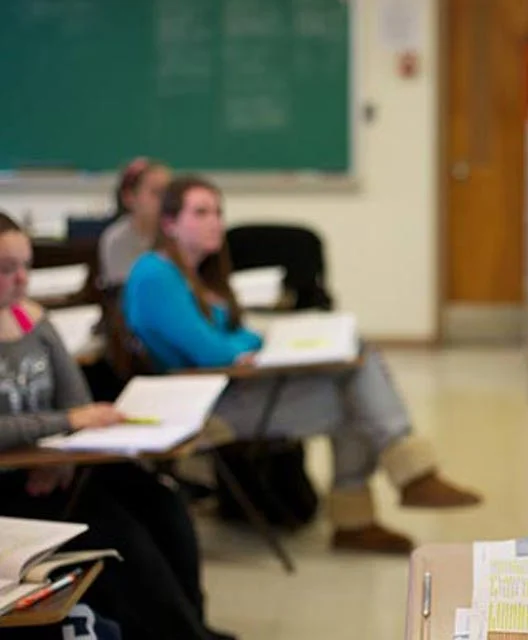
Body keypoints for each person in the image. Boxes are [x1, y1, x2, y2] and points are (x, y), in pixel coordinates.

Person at [122, 175, 482, 554]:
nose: (215, 222)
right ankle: (383, 496)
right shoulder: (155, 276)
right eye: (201, 212)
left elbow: (238, 338)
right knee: (357, 400)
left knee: (358, 364)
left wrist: (250, 344)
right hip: (201, 408)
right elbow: (213, 351)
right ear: (169, 224)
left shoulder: (194, 273)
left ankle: (385, 496)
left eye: (218, 212)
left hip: (225, 389)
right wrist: (244, 345)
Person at [0, 211, 236, 640]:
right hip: (11, 481)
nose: (20, 280)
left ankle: (193, 626)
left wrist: (62, 452)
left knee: (163, 504)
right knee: (119, 534)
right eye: (6, 269)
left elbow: (77, 400)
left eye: (27, 266)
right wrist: (64, 425)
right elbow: (68, 415)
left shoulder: (30, 320)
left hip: (52, 465)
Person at [98, 157, 171, 287]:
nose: (165, 200)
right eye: (156, 193)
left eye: (169, 193)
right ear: (129, 198)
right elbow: (125, 291)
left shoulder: (177, 233)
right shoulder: (117, 239)